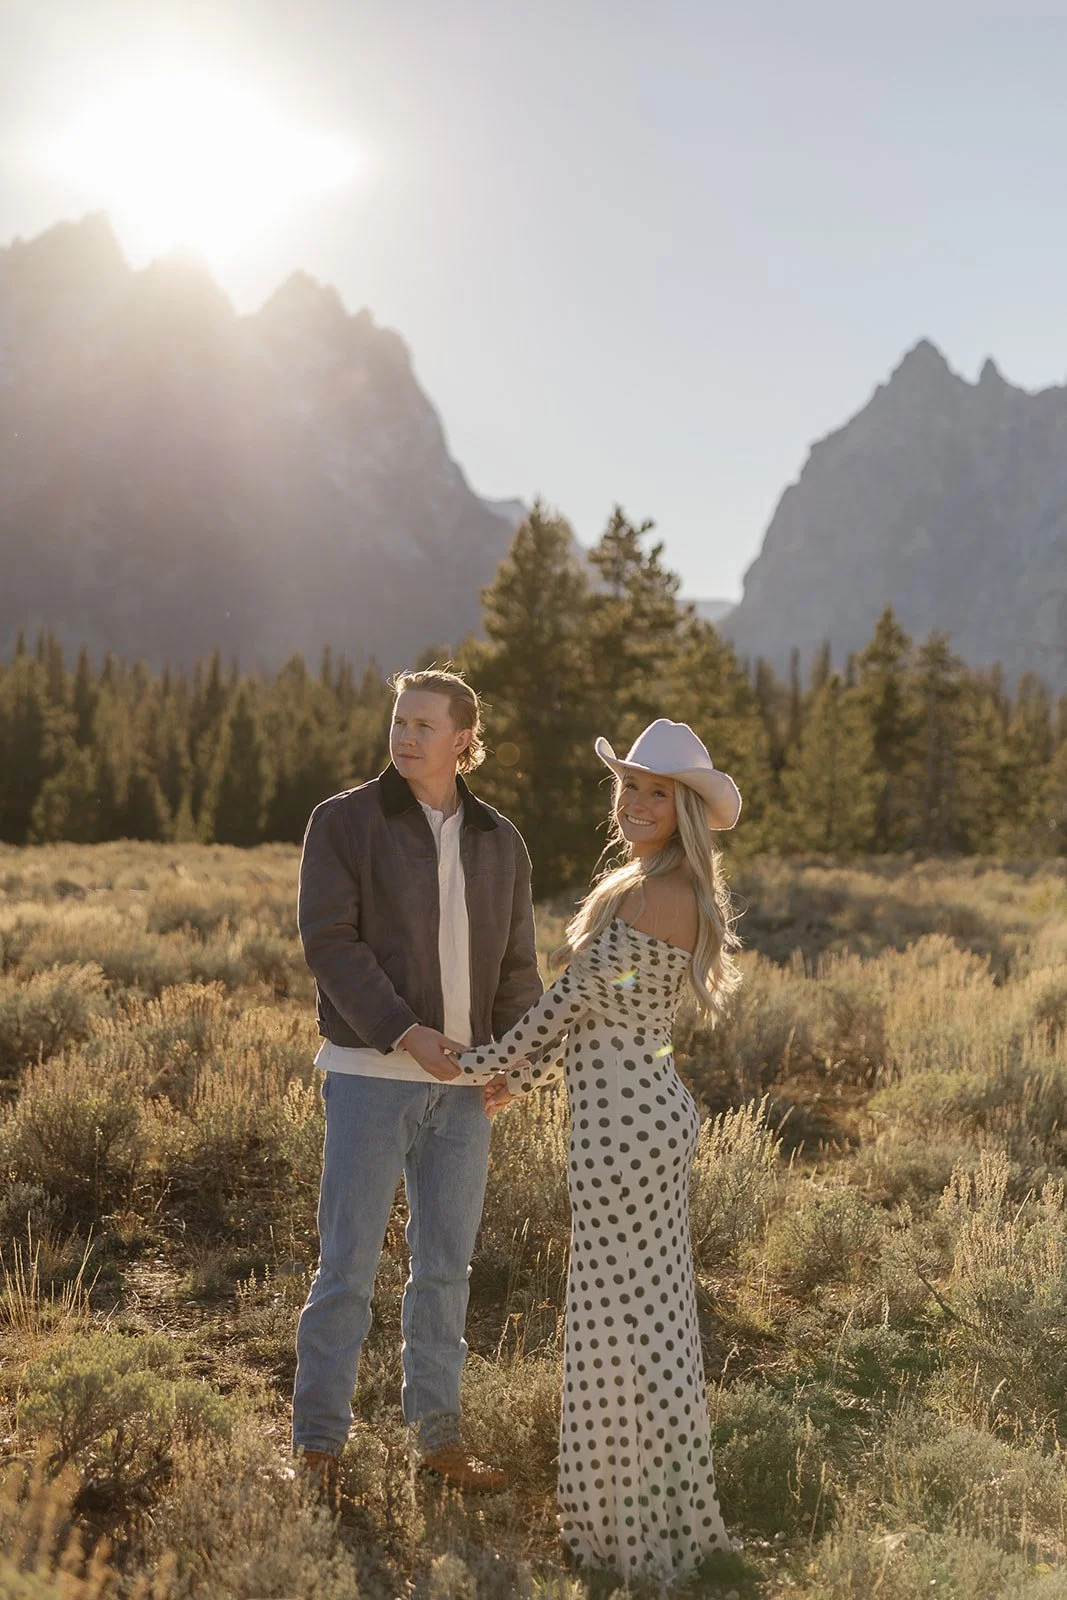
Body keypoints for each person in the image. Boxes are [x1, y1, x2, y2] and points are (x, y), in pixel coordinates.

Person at [444, 718, 744, 1583]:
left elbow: (573, 1001)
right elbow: (601, 1014)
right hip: (638, 1114)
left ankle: (627, 1536)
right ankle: (643, 1521)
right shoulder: (657, 884)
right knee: (646, 1321)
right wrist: (520, 1078)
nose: (635, 802)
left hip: (623, 1128)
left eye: (656, 791)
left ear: (684, 808)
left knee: (623, 1326)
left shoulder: (655, 892)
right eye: (628, 786)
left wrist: (478, 1069)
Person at [291, 666, 543, 1501]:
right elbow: (330, 942)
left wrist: (513, 1056)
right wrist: (404, 1031)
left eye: (424, 726)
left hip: (467, 1087)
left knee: (444, 1270)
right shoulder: (345, 821)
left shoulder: (498, 839)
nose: (405, 737)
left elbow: (516, 967)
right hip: (371, 1075)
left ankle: (439, 1440)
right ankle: (319, 1445)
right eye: (399, 722)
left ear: (463, 740)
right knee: (347, 1268)